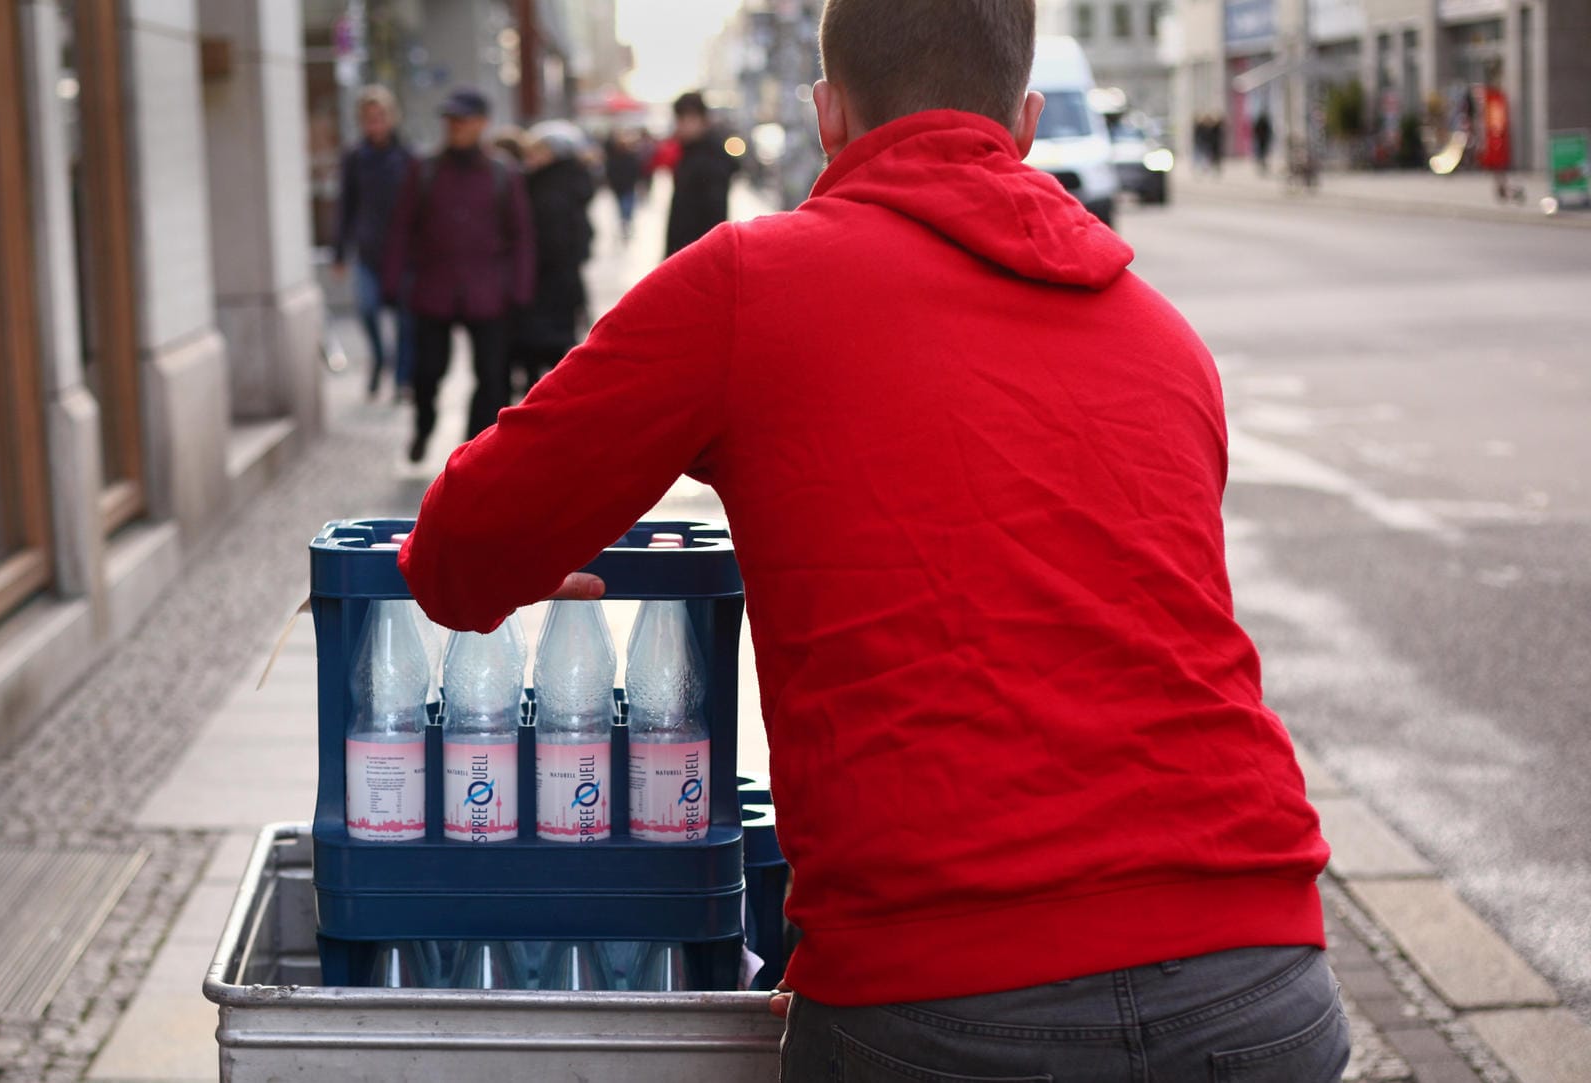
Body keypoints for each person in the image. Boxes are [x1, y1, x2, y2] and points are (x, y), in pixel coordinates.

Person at [396, 0, 1345, 1078]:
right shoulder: (1162, 334)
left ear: (828, 111)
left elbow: (460, 554)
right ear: (1024, 121)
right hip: (1261, 974)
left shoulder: (751, 286)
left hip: (944, 995)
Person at [380, 87, 534, 464]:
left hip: (488, 293)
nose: (456, 128)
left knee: (492, 376)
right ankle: (424, 425)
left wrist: (521, 289)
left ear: (482, 123)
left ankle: (475, 451)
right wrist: (392, 280)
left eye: (463, 121)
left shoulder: (503, 173)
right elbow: (402, 227)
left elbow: (522, 235)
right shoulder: (425, 170)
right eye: (450, 121)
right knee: (427, 371)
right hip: (434, 289)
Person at [336, 86, 416, 400]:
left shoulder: (408, 156)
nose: (376, 124)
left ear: (391, 118)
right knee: (367, 310)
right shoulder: (355, 157)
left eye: (381, 117)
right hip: (368, 250)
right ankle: (380, 358)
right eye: (369, 118)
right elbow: (346, 205)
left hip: (404, 253)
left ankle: (401, 379)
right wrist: (340, 250)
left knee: (405, 321)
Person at [513, 125, 595, 391]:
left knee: (543, 351)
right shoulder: (564, 183)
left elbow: (555, 239)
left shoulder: (549, 187)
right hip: (560, 283)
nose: (531, 158)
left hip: (548, 283)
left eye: (538, 152)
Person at [664, 90, 741, 257]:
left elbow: (715, 216)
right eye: (679, 119)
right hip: (685, 253)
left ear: (703, 121)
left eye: (688, 119)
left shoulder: (710, 160)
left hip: (697, 256)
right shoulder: (689, 153)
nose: (682, 126)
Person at [604, 129, 644, 240]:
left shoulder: (630, 157)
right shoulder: (614, 158)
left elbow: (635, 171)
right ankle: (625, 222)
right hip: (620, 187)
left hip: (627, 186)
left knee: (627, 206)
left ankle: (626, 222)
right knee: (623, 206)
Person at [1253, 110, 1274, 175]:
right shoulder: (1263, 122)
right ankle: (1262, 161)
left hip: (1262, 139)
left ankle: (1262, 161)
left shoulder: (1262, 122)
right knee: (1262, 151)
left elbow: (1256, 130)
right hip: (1263, 139)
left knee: (1262, 151)